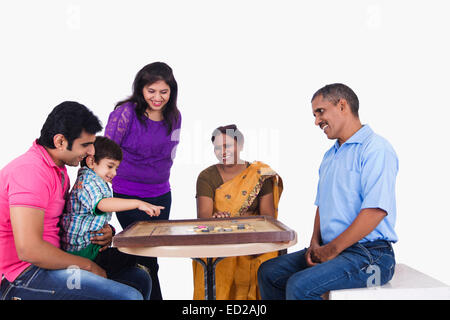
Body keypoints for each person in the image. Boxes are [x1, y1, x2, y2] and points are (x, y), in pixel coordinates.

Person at [258, 83, 398, 300]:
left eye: (320, 112)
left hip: (371, 255)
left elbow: (375, 211)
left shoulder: (376, 149)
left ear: (342, 105)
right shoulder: (329, 156)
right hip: (334, 249)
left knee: (300, 286)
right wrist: (315, 243)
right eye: (314, 115)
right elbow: (322, 205)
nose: (316, 121)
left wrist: (332, 250)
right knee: (269, 273)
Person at [0, 101, 152, 300]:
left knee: (138, 278)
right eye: (85, 145)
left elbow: (73, 218)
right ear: (60, 141)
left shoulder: (59, 170)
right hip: (23, 276)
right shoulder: (30, 172)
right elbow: (29, 250)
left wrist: (107, 232)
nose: (91, 152)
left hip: (54, 261)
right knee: (128, 296)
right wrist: (88, 266)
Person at [104, 62, 181, 300]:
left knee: (151, 257)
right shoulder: (126, 114)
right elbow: (105, 151)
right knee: (141, 256)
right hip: (128, 193)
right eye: (151, 91)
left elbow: (169, 154)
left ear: (172, 91)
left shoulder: (175, 116)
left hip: (160, 195)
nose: (157, 97)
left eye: (163, 92)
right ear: (141, 89)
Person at [193, 124, 283, 300]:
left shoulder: (259, 174)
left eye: (227, 146)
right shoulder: (206, 176)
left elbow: (267, 218)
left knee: (268, 259)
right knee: (211, 259)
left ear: (240, 145)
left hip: (253, 239)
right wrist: (216, 219)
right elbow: (204, 217)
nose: (222, 151)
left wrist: (241, 223)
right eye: (217, 147)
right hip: (219, 239)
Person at [60, 136, 164, 283]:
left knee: (131, 252)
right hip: (84, 252)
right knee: (131, 250)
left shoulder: (95, 180)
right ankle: (135, 268)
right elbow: (102, 203)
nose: (114, 173)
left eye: (116, 168)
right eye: (110, 166)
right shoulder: (88, 181)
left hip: (91, 247)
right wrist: (137, 203)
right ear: (91, 162)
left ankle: (136, 269)